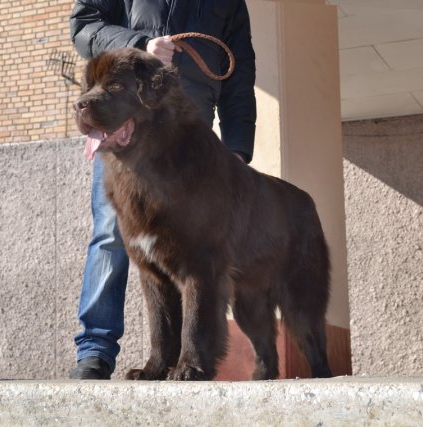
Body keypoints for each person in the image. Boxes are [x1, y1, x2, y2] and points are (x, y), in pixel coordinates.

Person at [68, 0, 257, 379]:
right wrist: (141, 44)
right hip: (124, 136)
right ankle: (95, 351)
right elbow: (84, 25)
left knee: (197, 253)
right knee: (110, 236)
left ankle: (188, 357)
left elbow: (239, 73)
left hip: (190, 144)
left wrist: (237, 145)